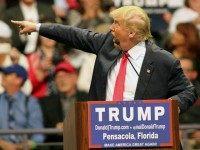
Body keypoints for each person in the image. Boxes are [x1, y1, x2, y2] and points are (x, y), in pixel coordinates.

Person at [12, 5, 197, 115]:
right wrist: (38, 27)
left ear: (131, 33)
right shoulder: (107, 44)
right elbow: (73, 34)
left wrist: (171, 108)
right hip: (105, 134)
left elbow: (188, 91)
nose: (111, 28)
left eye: (117, 24)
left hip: (143, 138)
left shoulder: (162, 60)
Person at [39, 60, 87, 150]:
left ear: (75, 78)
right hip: (57, 144)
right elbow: (42, 125)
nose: (62, 80)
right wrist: (55, 128)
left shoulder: (87, 98)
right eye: (58, 77)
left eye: (66, 76)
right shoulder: (46, 102)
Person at [0, 64, 44, 150]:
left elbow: (38, 135)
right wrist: (2, 144)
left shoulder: (31, 102)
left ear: (19, 80)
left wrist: (20, 147)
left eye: (6, 74)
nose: (2, 76)